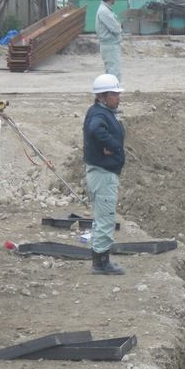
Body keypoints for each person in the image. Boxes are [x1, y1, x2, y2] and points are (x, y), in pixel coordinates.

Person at [83, 73, 126, 275]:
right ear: (102, 96)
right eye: (114, 94)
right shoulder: (99, 115)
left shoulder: (99, 111)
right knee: (106, 218)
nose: (118, 97)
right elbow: (96, 130)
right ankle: (101, 263)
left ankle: (100, 260)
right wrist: (113, 146)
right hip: (103, 174)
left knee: (102, 217)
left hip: (101, 172)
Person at [95, 0, 123, 82]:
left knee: (111, 72)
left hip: (109, 45)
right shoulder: (105, 11)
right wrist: (120, 26)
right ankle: (112, 95)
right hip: (110, 46)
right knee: (114, 74)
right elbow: (117, 29)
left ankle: (110, 95)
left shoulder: (105, 9)